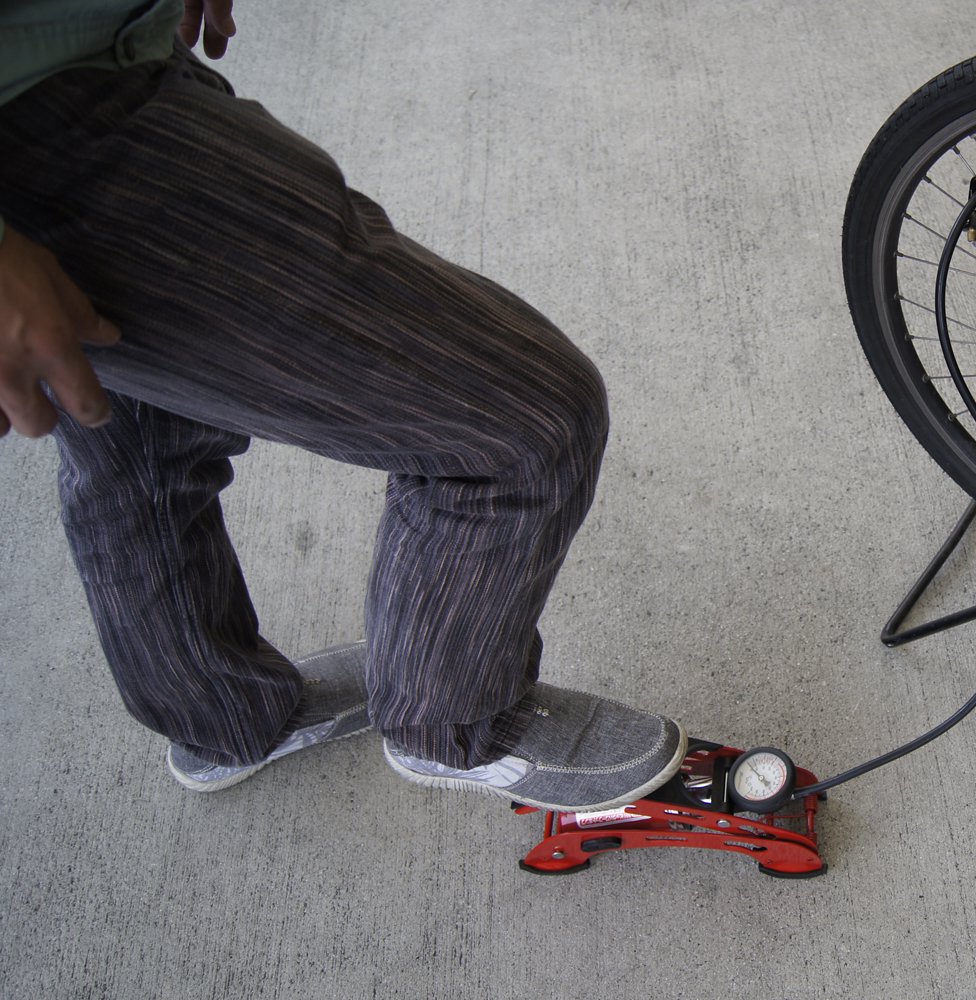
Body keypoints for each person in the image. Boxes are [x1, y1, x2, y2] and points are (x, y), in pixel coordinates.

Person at [0, 0, 688, 811]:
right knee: (526, 422)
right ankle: (452, 723)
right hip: (52, 140)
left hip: (79, 68)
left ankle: (220, 714)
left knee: (140, 430)